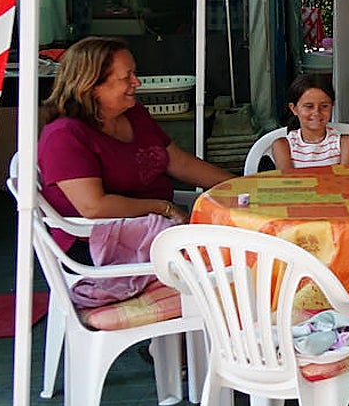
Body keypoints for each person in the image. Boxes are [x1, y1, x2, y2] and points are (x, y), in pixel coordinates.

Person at [38, 36, 234, 256]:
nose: (136, 82)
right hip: (98, 244)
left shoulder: (133, 115)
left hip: (156, 230)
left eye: (134, 73)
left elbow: (180, 163)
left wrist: (238, 186)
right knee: (231, 253)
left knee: (238, 242)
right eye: (126, 77)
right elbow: (94, 207)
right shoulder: (64, 135)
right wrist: (162, 208)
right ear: (92, 85)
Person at [270, 73, 349, 171]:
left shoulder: (345, 143)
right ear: (293, 109)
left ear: (332, 105)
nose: (316, 112)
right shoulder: (283, 145)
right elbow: (288, 182)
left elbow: (344, 181)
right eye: (309, 106)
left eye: (324, 106)